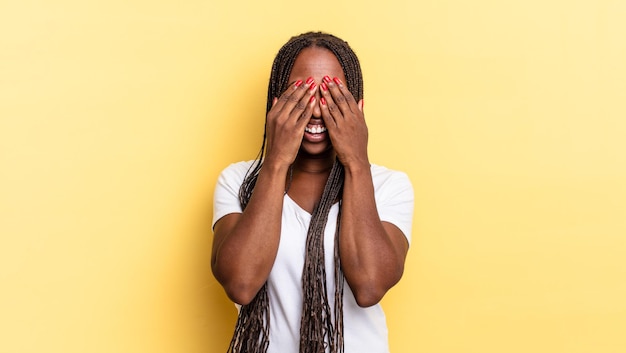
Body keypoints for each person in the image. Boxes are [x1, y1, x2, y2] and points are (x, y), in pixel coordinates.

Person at [211, 32, 414, 353]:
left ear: (357, 107)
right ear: (276, 104)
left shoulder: (390, 186)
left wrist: (356, 162)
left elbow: (369, 286)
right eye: (302, 94)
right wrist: (276, 161)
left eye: (332, 96)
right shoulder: (238, 180)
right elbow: (241, 284)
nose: (317, 111)